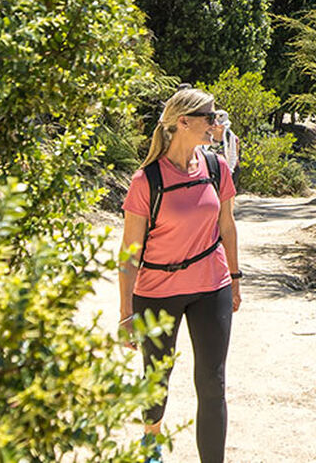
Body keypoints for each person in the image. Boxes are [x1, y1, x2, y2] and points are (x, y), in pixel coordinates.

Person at [119, 87, 242, 463]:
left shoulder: (217, 167)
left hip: (212, 286)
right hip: (157, 292)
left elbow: (228, 224)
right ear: (183, 122)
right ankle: (152, 441)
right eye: (208, 116)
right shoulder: (146, 181)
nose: (215, 123)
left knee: (212, 382)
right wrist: (126, 314)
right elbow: (129, 255)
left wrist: (235, 279)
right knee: (157, 376)